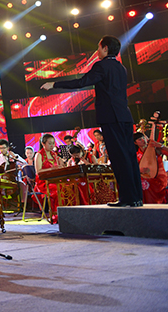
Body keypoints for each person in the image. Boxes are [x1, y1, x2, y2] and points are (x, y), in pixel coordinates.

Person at [42, 36, 142, 207]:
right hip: (125, 116)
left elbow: (82, 82)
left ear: (105, 48)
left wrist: (54, 84)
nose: (97, 51)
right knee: (129, 156)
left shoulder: (102, 66)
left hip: (111, 117)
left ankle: (127, 199)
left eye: (98, 47)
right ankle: (136, 197)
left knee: (119, 158)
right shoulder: (121, 68)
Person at [34, 133, 65, 223]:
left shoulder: (54, 154)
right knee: (58, 189)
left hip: (54, 180)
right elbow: (38, 172)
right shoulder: (39, 155)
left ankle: (66, 214)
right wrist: (52, 169)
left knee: (68, 187)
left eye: (53, 143)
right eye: (50, 143)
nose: (52, 145)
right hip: (43, 182)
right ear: (43, 144)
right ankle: (57, 215)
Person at [134, 132, 168, 204]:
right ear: (135, 143)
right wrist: (139, 170)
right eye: (139, 139)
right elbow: (132, 169)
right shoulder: (135, 155)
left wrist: (161, 146)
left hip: (158, 178)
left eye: (143, 138)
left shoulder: (155, 149)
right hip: (144, 178)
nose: (143, 140)